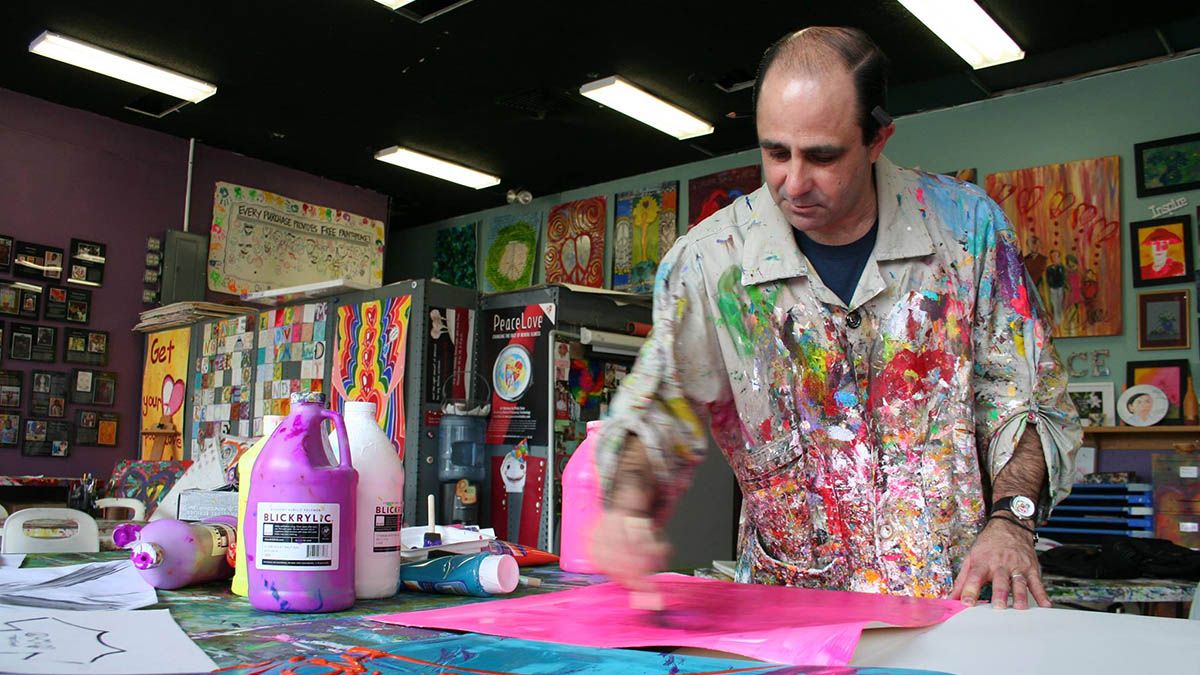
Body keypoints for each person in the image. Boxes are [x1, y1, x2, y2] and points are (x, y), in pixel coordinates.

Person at [591, 26, 1081, 611]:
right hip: (790, 614)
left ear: (878, 139)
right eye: (775, 152)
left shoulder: (966, 230)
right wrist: (624, 506)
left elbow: (1027, 399)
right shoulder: (707, 262)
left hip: (953, 602)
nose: (793, 184)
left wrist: (1011, 522)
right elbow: (660, 410)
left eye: (822, 156)